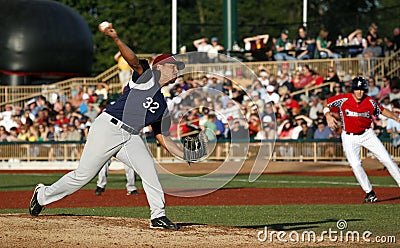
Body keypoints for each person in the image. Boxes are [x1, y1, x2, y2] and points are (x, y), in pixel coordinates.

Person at [29, 22, 189, 230]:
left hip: (131, 137)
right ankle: (42, 195)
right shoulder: (146, 76)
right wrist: (115, 38)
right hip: (109, 128)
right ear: (160, 66)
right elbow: (132, 59)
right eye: (173, 65)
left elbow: (162, 137)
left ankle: (158, 216)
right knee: (83, 176)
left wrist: (184, 154)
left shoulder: (161, 103)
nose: (177, 70)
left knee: (149, 171)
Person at [324, 77, 400, 203]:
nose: (359, 92)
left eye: (362, 89)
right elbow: (327, 103)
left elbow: (382, 110)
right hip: (349, 136)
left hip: (367, 134)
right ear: (353, 89)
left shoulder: (370, 101)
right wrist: (328, 115)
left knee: (387, 159)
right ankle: (369, 193)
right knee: (355, 164)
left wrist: (396, 118)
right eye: (357, 89)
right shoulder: (343, 99)